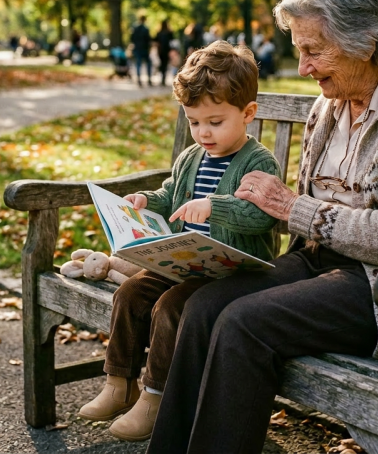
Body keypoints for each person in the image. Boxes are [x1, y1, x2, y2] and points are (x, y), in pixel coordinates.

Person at [147, 0, 378, 454]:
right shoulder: (331, 102)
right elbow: (304, 217)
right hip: (324, 265)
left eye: (313, 50)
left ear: (366, 41)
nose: (302, 66)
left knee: (244, 323)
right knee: (200, 307)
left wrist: (290, 206)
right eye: (299, 48)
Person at [78, 40, 282, 442]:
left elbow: (261, 216)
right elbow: (170, 194)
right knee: (131, 294)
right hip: (185, 264)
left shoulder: (259, 162)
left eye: (215, 122)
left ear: (248, 114)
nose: (203, 132)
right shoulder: (191, 158)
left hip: (232, 273)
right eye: (194, 122)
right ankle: (119, 384)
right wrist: (145, 201)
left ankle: (156, 399)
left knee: (171, 307)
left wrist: (215, 207)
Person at [131, 15, 153, 86]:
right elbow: (148, 40)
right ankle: (149, 79)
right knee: (148, 64)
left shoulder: (135, 28)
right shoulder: (145, 29)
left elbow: (132, 38)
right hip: (144, 49)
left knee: (138, 64)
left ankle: (139, 79)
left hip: (137, 48)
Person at [155, 19, 174, 86]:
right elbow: (172, 42)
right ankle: (163, 78)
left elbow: (156, 42)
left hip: (160, 51)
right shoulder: (169, 33)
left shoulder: (159, 33)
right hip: (167, 51)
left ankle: (162, 78)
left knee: (162, 64)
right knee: (165, 65)